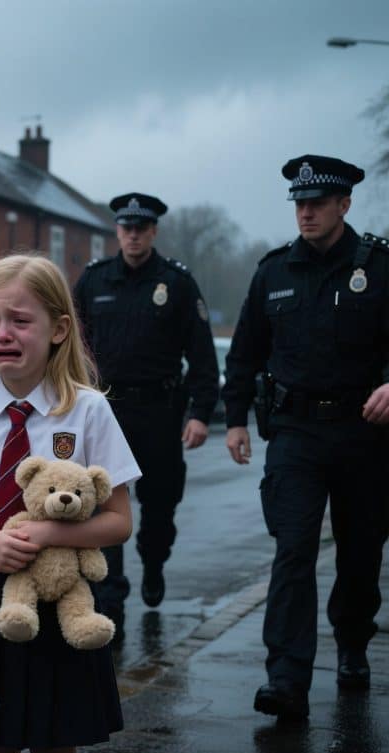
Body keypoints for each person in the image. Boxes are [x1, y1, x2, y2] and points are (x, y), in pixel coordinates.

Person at [0, 254, 141, 753]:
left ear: (59, 328)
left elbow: (119, 522)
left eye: (20, 320)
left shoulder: (88, 410)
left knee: (54, 742)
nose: (3, 333)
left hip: (61, 593)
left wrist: (43, 535)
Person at [223, 154, 389, 720]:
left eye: (318, 203)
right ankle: (287, 677)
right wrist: (236, 419)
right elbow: (243, 354)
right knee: (293, 549)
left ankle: (351, 643)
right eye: (300, 203)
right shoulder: (273, 272)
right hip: (294, 434)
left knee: (361, 551)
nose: (307, 212)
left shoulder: (380, 267)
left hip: (365, 433)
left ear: (344, 204)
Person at [73, 193, 219, 622]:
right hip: (105, 410)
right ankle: (110, 602)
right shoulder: (95, 280)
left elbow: (203, 356)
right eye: (126, 228)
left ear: (153, 231)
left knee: (158, 505)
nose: (133, 235)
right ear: (117, 231)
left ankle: (154, 562)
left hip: (159, 411)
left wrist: (199, 413)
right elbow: (68, 342)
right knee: (101, 503)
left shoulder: (176, 283)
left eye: (141, 228)